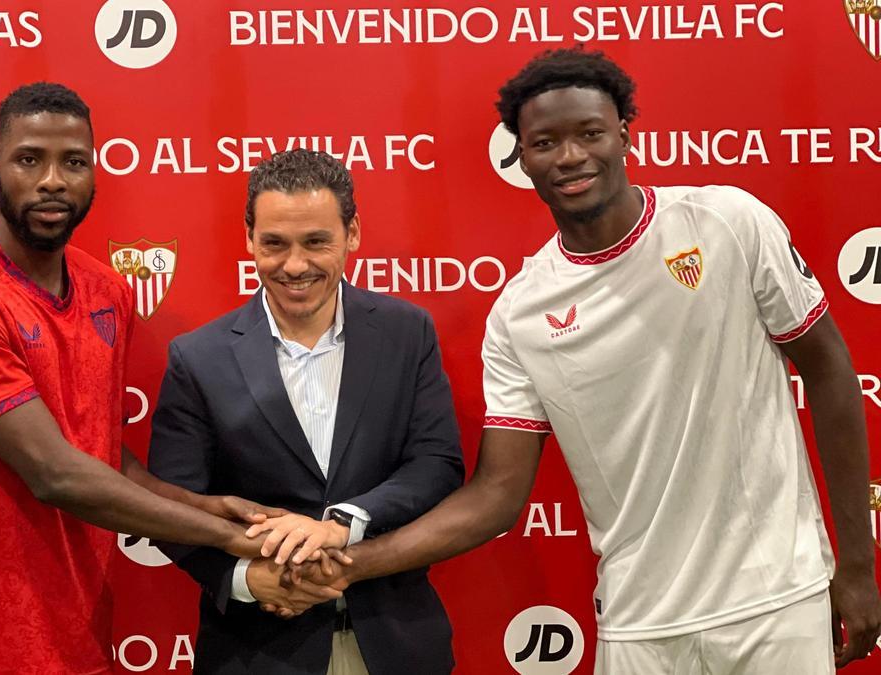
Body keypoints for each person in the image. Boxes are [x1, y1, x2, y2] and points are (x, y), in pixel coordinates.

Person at [268, 49, 881, 673]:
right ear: (521, 155)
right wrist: (349, 565)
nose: (569, 156)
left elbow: (830, 373)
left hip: (776, 601)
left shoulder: (727, 221)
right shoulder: (520, 311)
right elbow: (498, 495)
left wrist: (857, 566)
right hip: (640, 623)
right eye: (545, 142)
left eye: (590, 133)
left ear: (623, 132)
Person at [0, 82, 268, 675]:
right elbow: (55, 474)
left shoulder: (106, 290)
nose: (53, 180)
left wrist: (209, 506)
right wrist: (229, 539)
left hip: (73, 642)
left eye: (73, 161)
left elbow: (97, 455)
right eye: (29, 159)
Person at [147, 149, 465, 674]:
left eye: (317, 241)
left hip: (398, 646)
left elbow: (436, 463)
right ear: (249, 238)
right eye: (275, 243)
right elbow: (170, 506)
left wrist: (343, 523)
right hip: (259, 653)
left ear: (352, 234)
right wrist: (246, 580)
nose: (295, 265)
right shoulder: (197, 358)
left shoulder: (408, 332)